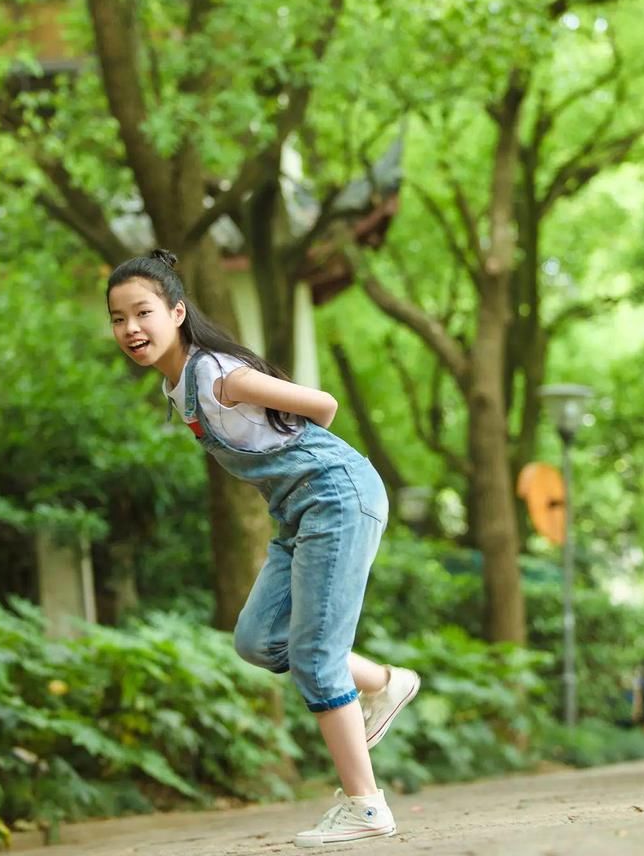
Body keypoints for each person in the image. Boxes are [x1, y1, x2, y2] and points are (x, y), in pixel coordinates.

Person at [106, 249, 420, 847]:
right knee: (258, 639)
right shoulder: (178, 388)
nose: (130, 329)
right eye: (118, 318)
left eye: (142, 312)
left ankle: (367, 806)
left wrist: (271, 413)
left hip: (336, 497)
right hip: (297, 514)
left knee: (317, 656)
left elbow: (322, 405)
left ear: (176, 312)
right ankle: (382, 681)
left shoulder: (214, 375)